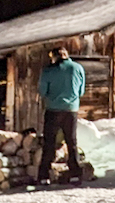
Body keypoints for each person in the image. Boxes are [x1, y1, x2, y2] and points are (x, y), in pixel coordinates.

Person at [37, 46, 86, 185]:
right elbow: (81, 91)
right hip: (71, 110)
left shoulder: (48, 70)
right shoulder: (78, 68)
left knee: (49, 142)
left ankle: (44, 176)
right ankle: (75, 174)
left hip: (53, 109)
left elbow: (42, 91)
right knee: (71, 142)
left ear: (54, 57)